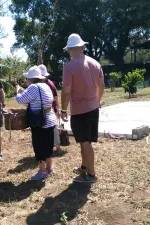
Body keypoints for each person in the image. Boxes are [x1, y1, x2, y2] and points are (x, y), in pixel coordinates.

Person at [61, 34, 105, 183]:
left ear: (70, 50)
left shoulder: (69, 67)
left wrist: (63, 109)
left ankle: (91, 174)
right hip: (93, 108)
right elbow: (101, 85)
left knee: (84, 142)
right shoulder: (95, 63)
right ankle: (84, 167)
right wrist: (97, 101)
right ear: (83, 46)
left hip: (79, 110)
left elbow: (66, 91)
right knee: (84, 141)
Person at [15, 66, 57, 180]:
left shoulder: (33, 87)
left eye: (27, 78)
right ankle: (49, 168)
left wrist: (18, 91)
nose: (26, 81)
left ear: (32, 79)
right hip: (50, 120)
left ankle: (42, 171)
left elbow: (20, 100)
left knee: (39, 147)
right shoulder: (45, 86)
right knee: (48, 146)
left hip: (40, 122)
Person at [39, 64, 62, 152]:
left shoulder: (49, 84)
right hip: (49, 110)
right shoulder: (45, 83)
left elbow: (55, 98)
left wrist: (57, 110)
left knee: (53, 129)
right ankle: (52, 146)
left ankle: (57, 147)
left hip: (51, 110)